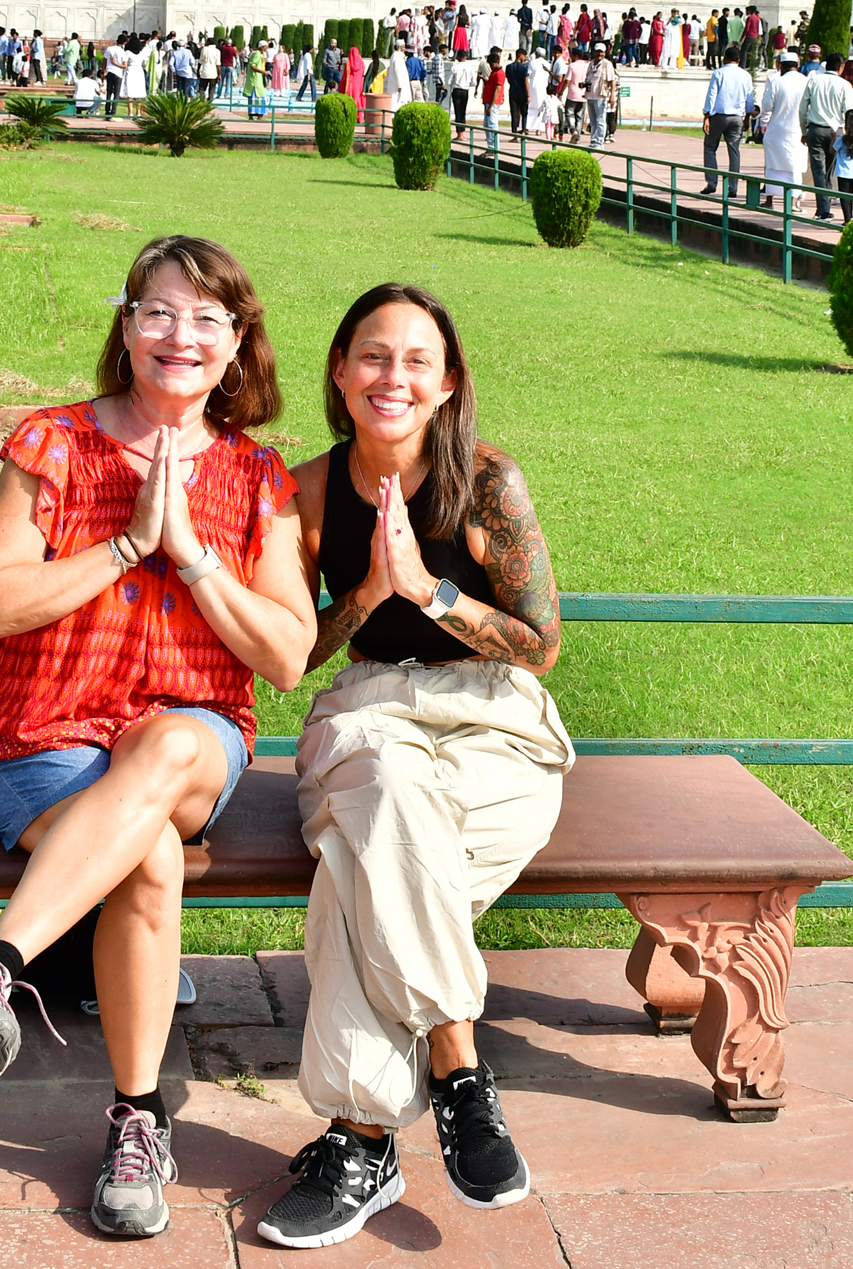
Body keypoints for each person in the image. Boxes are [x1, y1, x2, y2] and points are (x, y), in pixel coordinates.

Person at [0, 236, 314, 1241]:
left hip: (195, 741)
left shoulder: (259, 478)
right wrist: (124, 541)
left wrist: (191, 554)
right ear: (126, 328)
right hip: (43, 739)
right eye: (158, 311)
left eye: (208, 318)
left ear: (236, 346)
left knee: (167, 746)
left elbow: (290, 653)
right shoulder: (53, 442)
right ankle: (138, 1119)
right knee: (149, 855)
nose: (182, 335)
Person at [255, 284, 570, 1249]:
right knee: (388, 793)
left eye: (416, 361)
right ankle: (460, 1071)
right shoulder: (303, 492)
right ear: (341, 375)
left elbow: (541, 645)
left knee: (363, 873)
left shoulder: (486, 483)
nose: (393, 376)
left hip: (494, 725)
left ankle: (361, 1142)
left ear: (447, 384)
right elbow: (293, 656)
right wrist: (365, 590)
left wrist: (429, 590)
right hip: (371, 714)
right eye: (372, 357)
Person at [798, 52, 853, 219]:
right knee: (831, 170)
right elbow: (849, 111)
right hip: (835, 131)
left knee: (818, 170)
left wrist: (803, 131)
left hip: (815, 129)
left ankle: (823, 208)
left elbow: (802, 109)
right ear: (841, 67)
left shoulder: (814, 80)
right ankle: (827, 202)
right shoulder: (845, 85)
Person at [757, 52, 807, 209]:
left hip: (777, 130)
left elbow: (766, 106)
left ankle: (769, 201)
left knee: (772, 166)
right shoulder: (806, 81)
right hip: (798, 130)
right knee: (795, 167)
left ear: (781, 66)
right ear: (797, 65)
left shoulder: (776, 81)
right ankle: (793, 202)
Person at [700, 45, 753, 196]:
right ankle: (732, 187)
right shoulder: (745, 75)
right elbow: (749, 100)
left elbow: (712, 95)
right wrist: (747, 117)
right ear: (738, 59)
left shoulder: (719, 73)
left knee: (710, 147)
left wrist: (706, 115)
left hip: (719, 115)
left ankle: (711, 182)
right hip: (737, 117)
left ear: (725, 58)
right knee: (734, 151)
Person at [582, 40, 618, 148]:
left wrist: (612, 95)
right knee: (593, 120)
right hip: (590, 95)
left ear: (605, 53)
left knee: (600, 120)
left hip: (601, 95)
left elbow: (612, 81)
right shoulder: (590, 63)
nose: (599, 54)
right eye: (598, 51)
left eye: (601, 52)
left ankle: (599, 141)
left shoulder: (607, 64)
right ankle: (593, 140)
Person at [448, 48, 476, 132]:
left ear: (458, 57)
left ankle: (459, 132)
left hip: (456, 90)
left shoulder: (455, 67)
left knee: (457, 111)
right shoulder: (470, 68)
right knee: (463, 111)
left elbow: (449, 81)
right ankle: (462, 131)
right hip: (465, 90)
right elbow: (473, 82)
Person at [103, 36, 131, 120]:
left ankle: (107, 112)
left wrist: (103, 70)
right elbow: (124, 66)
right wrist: (115, 63)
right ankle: (113, 112)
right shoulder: (123, 52)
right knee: (116, 93)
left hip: (109, 72)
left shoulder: (109, 49)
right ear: (125, 43)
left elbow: (104, 61)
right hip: (118, 73)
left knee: (109, 93)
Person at [505, 49, 530, 135]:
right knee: (524, 113)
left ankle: (514, 133)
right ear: (520, 55)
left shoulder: (508, 67)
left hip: (513, 91)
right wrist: (528, 95)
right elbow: (526, 81)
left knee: (514, 113)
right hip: (522, 92)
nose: (524, 58)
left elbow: (508, 80)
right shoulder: (524, 67)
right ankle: (523, 130)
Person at [480, 49, 505, 134]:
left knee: (492, 124)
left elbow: (497, 90)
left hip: (492, 103)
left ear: (496, 62)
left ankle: (493, 146)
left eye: (491, 64)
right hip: (488, 101)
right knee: (487, 125)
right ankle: (490, 145)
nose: (490, 66)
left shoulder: (499, 73)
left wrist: (491, 106)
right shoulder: (494, 72)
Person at [245, 42, 269, 119]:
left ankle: (259, 115)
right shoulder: (257, 54)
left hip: (259, 79)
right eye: (266, 46)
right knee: (256, 97)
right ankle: (254, 115)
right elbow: (253, 65)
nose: (267, 48)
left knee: (260, 97)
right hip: (255, 80)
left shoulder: (261, 55)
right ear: (262, 47)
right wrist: (263, 71)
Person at [198, 37, 221, 103]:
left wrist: (197, 71)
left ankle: (202, 101)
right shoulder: (217, 51)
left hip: (204, 72)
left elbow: (200, 61)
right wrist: (219, 74)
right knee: (212, 88)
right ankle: (209, 102)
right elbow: (218, 64)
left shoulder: (204, 49)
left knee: (202, 88)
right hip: (213, 73)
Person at [344, 43, 366, 111]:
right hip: (359, 86)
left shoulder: (348, 63)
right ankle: (359, 117)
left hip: (350, 85)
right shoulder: (361, 63)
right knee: (358, 101)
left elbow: (344, 77)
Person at [294, 42, 317, 107]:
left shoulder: (305, 55)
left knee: (304, 84)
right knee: (313, 85)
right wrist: (309, 72)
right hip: (309, 72)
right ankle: (314, 97)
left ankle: (299, 96)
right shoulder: (308, 55)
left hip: (307, 72)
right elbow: (308, 65)